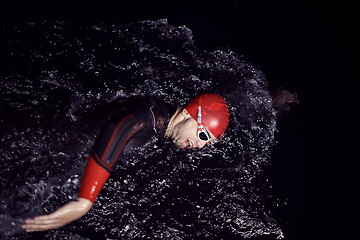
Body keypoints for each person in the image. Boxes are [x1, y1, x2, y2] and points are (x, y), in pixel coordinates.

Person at [21, 93, 231, 232]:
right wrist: (85, 200)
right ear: (187, 114)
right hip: (43, 147)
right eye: (202, 135)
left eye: (208, 143)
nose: (200, 145)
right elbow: (119, 126)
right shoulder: (149, 117)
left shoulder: (166, 123)